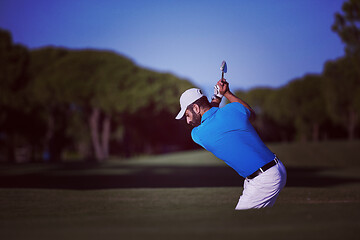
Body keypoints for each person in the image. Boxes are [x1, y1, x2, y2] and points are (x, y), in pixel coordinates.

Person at [175, 79, 287, 210]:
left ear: (195, 108)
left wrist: (217, 98)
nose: (188, 121)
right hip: (276, 168)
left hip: (264, 179)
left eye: (187, 115)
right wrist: (226, 93)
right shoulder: (233, 110)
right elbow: (250, 113)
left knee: (239, 225)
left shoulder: (198, 134)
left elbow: (211, 115)